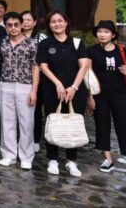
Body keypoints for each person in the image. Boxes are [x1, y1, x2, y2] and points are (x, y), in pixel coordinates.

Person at [87, 20, 126, 180]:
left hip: (120, 94)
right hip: (100, 95)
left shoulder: (122, 50)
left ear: (113, 35)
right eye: (100, 31)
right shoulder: (91, 51)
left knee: (124, 126)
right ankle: (107, 160)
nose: (102, 34)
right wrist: (90, 96)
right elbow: (88, 75)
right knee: (102, 125)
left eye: (106, 32)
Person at [36, 10, 88, 177]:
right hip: (52, 90)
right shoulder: (45, 44)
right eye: (53, 21)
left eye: (60, 21)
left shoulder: (77, 43)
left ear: (66, 23)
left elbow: (84, 66)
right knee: (53, 121)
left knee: (73, 123)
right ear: (49, 25)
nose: (57, 24)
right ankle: (52, 159)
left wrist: (74, 87)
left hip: (75, 91)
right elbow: (43, 66)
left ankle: (71, 161)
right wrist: (58, 83)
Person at [0, 12, 39, 170]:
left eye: (16, 24)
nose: (13, 28)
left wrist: (34, 90)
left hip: (25, 85)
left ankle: (26, 157)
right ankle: (9, 155)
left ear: (22, 25)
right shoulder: (2, 42)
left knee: (26, 122)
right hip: (5, 84)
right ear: (6, 26)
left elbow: (35, 67)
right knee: (7, 121)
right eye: (9, 25)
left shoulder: (32, 43)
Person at [23, 10, 47, 153]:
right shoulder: (15, 35)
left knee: (36, 109)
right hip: (22, 78)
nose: (25, 22)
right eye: (23, 20)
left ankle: (36, 139)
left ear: (34, 22)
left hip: (39, 77)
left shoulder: (40, 37)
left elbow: (45, 56)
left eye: (28, 20)